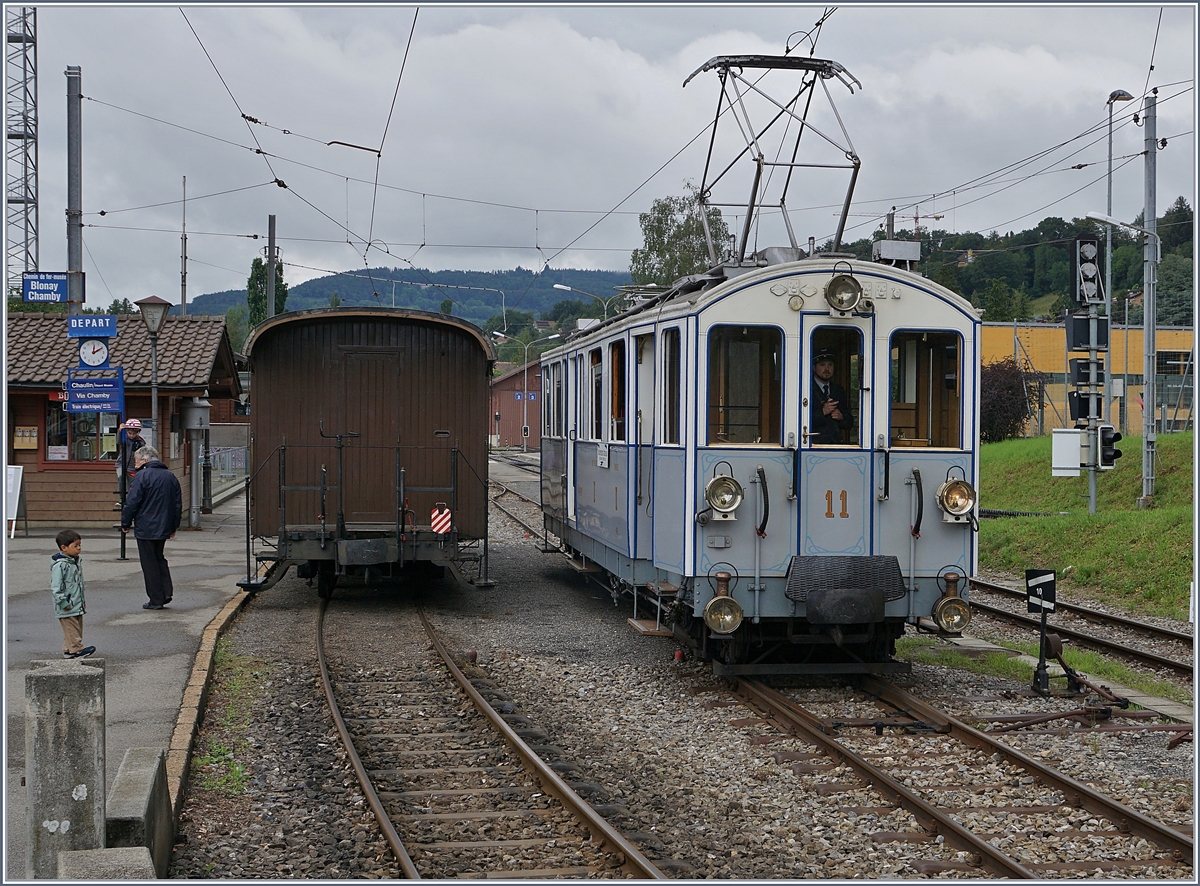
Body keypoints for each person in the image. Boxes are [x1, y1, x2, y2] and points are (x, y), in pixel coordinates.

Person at [120, 446, 182, 610]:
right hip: (165, 526)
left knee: (149, 563)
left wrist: (125, 523)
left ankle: (156, 598)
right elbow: (177, 504)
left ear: (145, 460)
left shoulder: (141, 477)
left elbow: (132, 502)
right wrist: (174, 525)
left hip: (146, 527)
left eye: (137, 460)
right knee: (159, 558)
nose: (136, 464)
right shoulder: (170, 476)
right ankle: (166, 591)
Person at [51, 529, 95, 659]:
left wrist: (82, 600)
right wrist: (62, 601)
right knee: (71, 628)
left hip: (76, 602)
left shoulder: (74, 562)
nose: (79, 548)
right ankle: (76, 649)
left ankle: (68, 649)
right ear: (63, 548)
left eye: (80, 545)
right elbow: (56, 587)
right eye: (75, 546)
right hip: (66, 604)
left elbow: (78, 585)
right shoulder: (60, 565)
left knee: (76, 627)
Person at [810, 348, 854, 444]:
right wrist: (823, 412)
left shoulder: (838, 390)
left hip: (835, 444)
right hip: (812, 445)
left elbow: (850, 422)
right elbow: (798, 422)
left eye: (830, 365)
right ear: (814, 368)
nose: (827, 369)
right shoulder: (806, 389)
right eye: (822, 365)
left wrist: (841, 417)